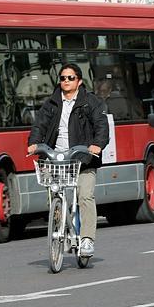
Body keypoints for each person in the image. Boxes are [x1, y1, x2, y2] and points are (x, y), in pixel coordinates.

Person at [27, 63, 109, 257]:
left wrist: (97, 145)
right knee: (54, 195)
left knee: (85, 196)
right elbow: (39, 125)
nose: (66, 81)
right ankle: (60, 230)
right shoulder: (52, 103)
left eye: (70, 78)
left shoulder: (91, 102)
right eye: (63, 78)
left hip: (83, 158)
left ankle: (87, 239)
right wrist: (33, 143)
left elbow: (101, 126)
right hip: (56, 159)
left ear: (79, 81)